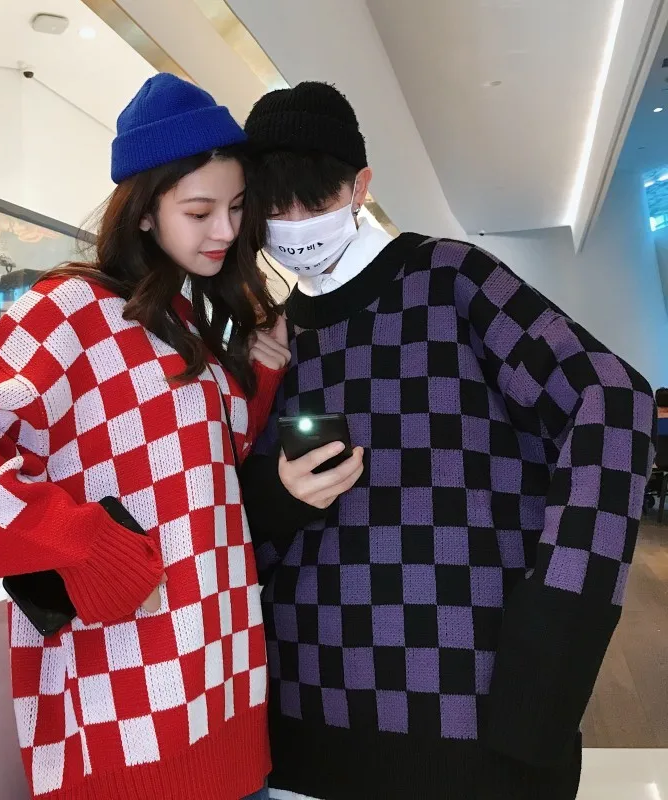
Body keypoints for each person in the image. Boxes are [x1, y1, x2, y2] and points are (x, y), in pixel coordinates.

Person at [238, 81, 655, 800]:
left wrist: (559, 620)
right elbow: (236, 518)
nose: (296, 223)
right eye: (275, 205)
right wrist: (275, 492)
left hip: (472, 717)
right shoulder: (272, 335)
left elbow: (612, 399)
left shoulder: (449, 277)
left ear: (361, 185)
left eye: (315, 197)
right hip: (304, 718)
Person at [0, 74, 291, 800]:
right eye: (199, 211)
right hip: (126, 706)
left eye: (236, 208)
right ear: (145, 212)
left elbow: (212, 471)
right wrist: (79, 542)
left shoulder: (183, 324)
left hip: (227, 690)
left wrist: (259, 376)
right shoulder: (70, 309)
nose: (226, 231)